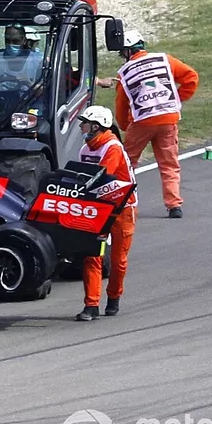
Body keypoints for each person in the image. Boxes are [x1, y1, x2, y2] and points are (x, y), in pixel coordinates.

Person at [114, 29, 199, 219]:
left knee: (127, 164)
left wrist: (124, 125)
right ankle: (174, 204)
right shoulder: (165, 59)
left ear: (128, 51)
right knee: (169, 164)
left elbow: (121, 104)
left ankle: (122, 202)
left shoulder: (124, 73)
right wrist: (178, 99)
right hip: (168, 118)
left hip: (142, 121)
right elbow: (191, 77)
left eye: (122, 53)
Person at [75, 105, 138, 321]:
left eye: (84, 123)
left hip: (123, 207)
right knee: (92, 255)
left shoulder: (112, 147)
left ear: (96, 126)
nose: (81, 127)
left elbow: (102, 176)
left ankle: (114, 297)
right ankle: (91, 305)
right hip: (97, 206)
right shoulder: (85, 149)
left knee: (119, 259)